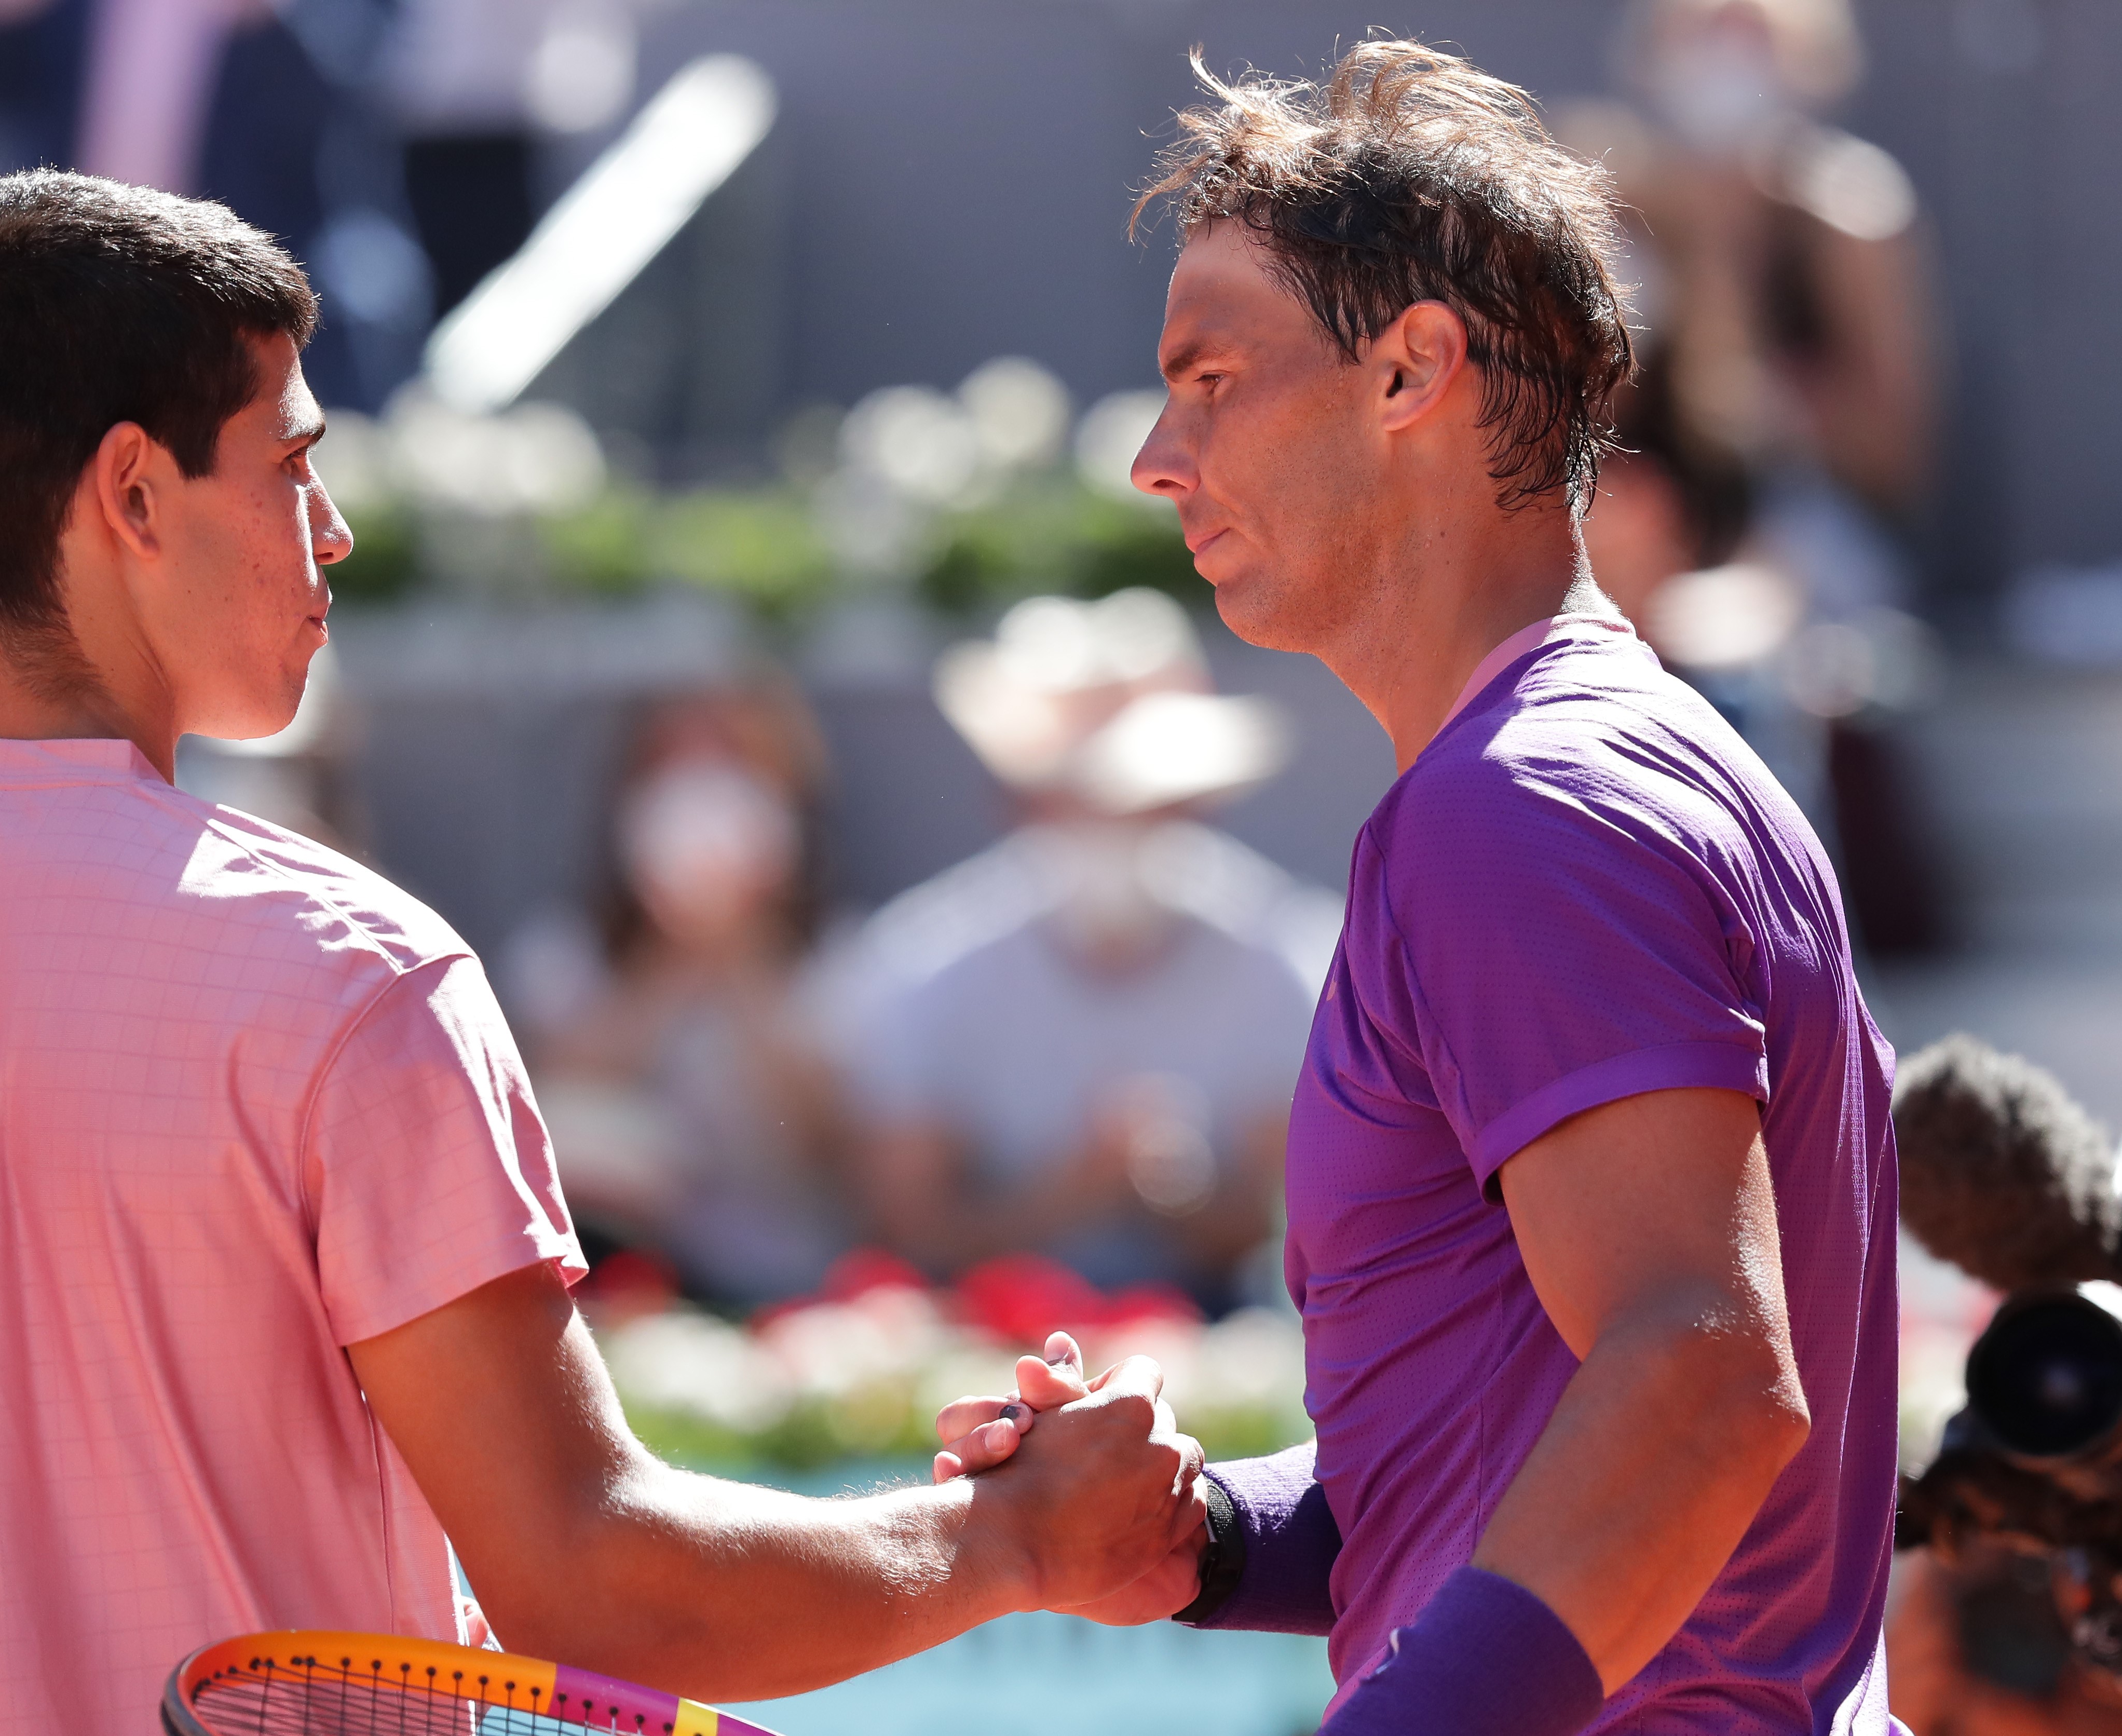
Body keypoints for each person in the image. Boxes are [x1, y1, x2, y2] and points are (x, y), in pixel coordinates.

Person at [0, 170, 1202, 1736]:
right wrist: (1020, 1538)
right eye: (290, 464)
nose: (336, 528)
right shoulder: (349, 970)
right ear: (135, 495)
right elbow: (592, 1578)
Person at [939, 39, 1897, 1736]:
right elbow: (1548, 1447)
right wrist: (1205, 1537)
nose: (1156, 455)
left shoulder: (1523, 808)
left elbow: (1694, 1377)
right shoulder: (1591, 772)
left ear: (1408, 376)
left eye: (1210, 376)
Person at [826, 587, 1332, 1309]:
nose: (1115, 822)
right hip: (984, 1351)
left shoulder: (1284, 955)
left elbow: (1303, 1227)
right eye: (1080, 793)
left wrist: (1177, 1194)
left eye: (1141, 797)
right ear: (1022, 801)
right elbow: (905, 1230)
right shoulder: (925, 964)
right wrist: (1069, 1195)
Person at [504, 678, 854, 1306]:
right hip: (621, 1287)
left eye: (731, 763)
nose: (700, 793)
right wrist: (673, 960)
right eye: (672, 766)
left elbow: (828, 1146)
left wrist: (741, 955)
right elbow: (553, 1117)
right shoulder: (564, 955)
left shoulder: (846, 957)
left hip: (790, 1287)